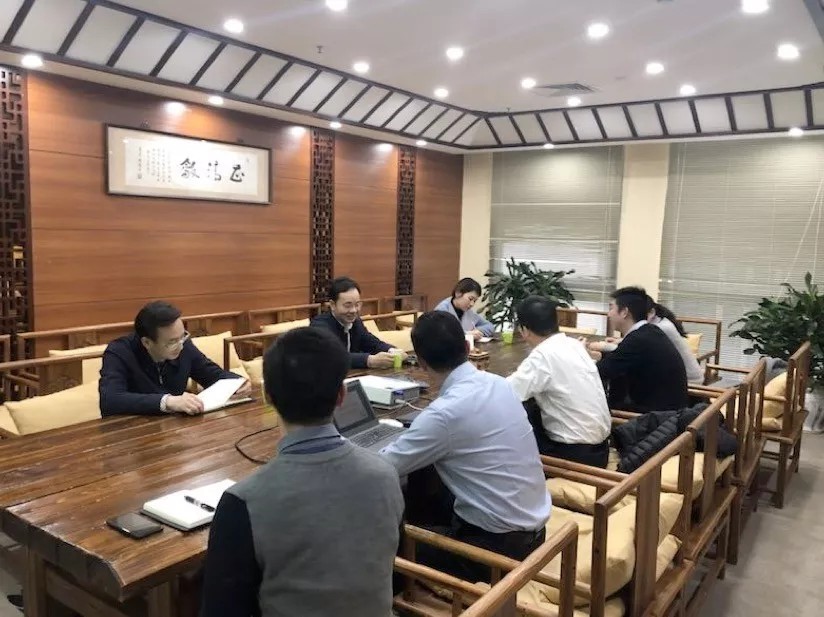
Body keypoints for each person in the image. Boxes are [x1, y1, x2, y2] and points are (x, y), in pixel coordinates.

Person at [200, 328, 404, 617]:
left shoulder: (242, 502)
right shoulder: (386, 473)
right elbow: (391, 577)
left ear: (267, 397)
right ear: (341, 395)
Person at [380, 312, 551, 583]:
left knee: (384, 538)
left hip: (495, 552)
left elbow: (381, 469)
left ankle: (405, 596)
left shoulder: (443, 414)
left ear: (421, 362)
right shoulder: (499, 384)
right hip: (536, 533)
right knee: (427, 482)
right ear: (467, 346)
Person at [506, 296, 612, 467]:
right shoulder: (573, 344)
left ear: (524, 330)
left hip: (574, 455)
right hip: (601, 450)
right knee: (532, 406)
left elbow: (507, 393)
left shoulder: (542, 355)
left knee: (515, 414)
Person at [98, 301, 249, 417]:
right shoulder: (119, 352)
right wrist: (168, 401)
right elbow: (110, 400)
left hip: (175, 430)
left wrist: (238, 383)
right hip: (132, 436)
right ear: (147, 342)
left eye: (183, 336)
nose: (180, 346)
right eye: (171, 342)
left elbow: (212, 374)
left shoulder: (183, 345)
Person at [590, 287, 688, 413]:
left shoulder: (638, 339)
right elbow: (615, 363)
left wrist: (580, 353)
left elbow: (599, 372)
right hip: (670, 411)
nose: (609, 314)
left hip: (657, 417)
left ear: (624, 312)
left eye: (611, 308)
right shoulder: (649, 332)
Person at [310, 276, 407, 369]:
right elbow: (332, 356)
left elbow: (372, 343)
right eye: (347, 305)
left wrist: (393, 351)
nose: (353, 310)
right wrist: (369, 360)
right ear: (332, 305)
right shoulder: (320, 326)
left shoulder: (356, 322)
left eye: (357, 305)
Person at [647, 301, 704, 383]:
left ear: (652, 312)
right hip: (684, 377)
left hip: (688, 381)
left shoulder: (660, 327)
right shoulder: (662, 321)